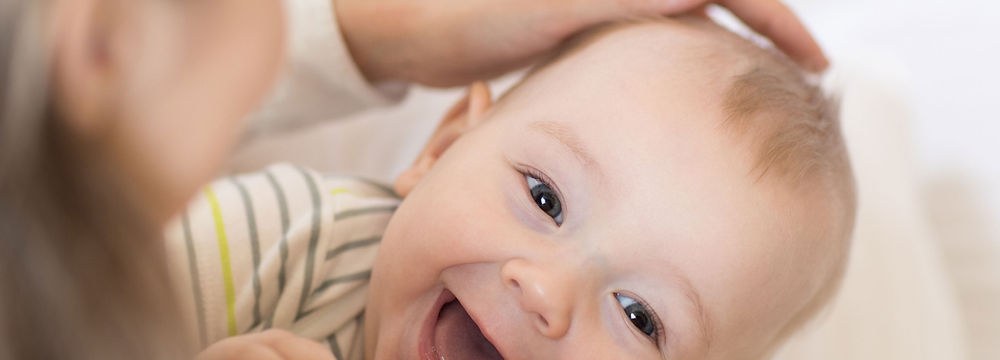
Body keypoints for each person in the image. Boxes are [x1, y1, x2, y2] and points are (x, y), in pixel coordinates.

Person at [0, 0, 828, 359]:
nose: (547, 290)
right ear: (441, 146)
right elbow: (100, 304)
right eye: (544, 198)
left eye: (642, 318)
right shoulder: (299, 242)